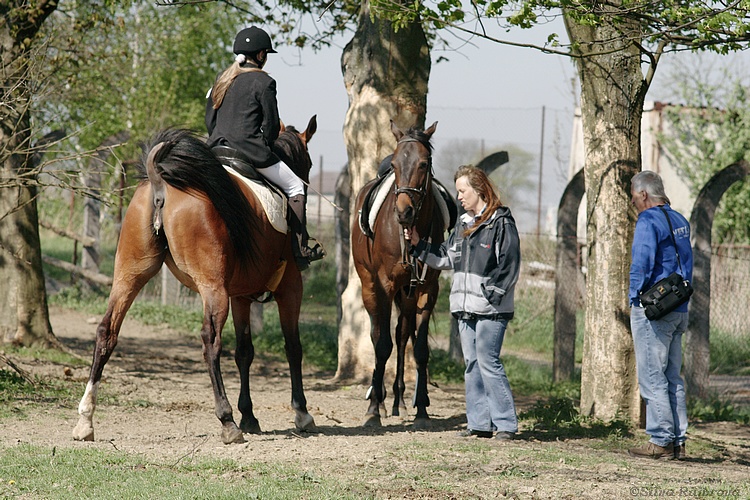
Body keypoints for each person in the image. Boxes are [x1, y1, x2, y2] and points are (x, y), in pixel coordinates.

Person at [407, 165, 521, 441]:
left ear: (479, 189)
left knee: (487, 362)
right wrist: (419, 245)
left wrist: (490, 295)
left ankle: (505, 424)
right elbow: (446, 258)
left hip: (491, 310)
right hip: (464, 309)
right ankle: (479, 424)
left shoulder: (501, 222)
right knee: (471, 364)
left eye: (462, 190)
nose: (458, 196)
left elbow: (510, 264)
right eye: (457, 191)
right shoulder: (462, 224)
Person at [205, 26, 324, 270]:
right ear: (260, 55)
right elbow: (271, 127)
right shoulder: (265, 81)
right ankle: (301, 249)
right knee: (295, 186)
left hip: (216, 151)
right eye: (266, 54)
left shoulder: (220, 79)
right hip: (250, 153)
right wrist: (264, 145)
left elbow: (209, 122)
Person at [628, 170, 693, 460]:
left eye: (633, 197)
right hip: (679, 307)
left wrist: (634, 298)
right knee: (673, 377)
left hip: (654, 310)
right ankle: (678, 440)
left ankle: (660, 440)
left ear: (643, 194)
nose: (633, 203)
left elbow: (641, 264)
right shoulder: (680, 220)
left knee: (652, 375)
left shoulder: (648, 220)